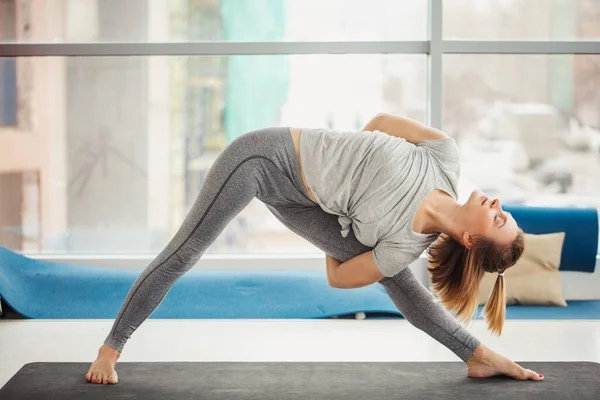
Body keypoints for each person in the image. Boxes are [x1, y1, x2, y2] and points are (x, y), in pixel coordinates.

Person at [85, 113, 544, 384]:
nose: (498, 204)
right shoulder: (445, 155)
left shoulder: (402, 246)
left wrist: (335, 231)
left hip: (308, 207)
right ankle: (111, 348)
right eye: (505, 210)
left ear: (470, 240)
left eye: (499, 219)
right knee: (186, 251)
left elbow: (338, 278)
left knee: (396, 277)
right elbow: (381, 124)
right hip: (263, 158)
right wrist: (349, 166)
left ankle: (477, 355)